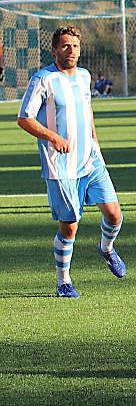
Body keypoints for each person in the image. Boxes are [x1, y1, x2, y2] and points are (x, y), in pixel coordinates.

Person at [17, 26, 127, 299]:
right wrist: (52, 137)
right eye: (65, 46)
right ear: (54, 50)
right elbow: (24, 118)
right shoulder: (43, 79)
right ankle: (63, 282)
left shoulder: (84, 76)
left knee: (114, 214)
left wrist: (96, 146)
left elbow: (87, 112)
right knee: (70, 225)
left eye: (75, 46)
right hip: (61, 167)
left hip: (90, 160)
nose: (71, 51)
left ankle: (106, 248)